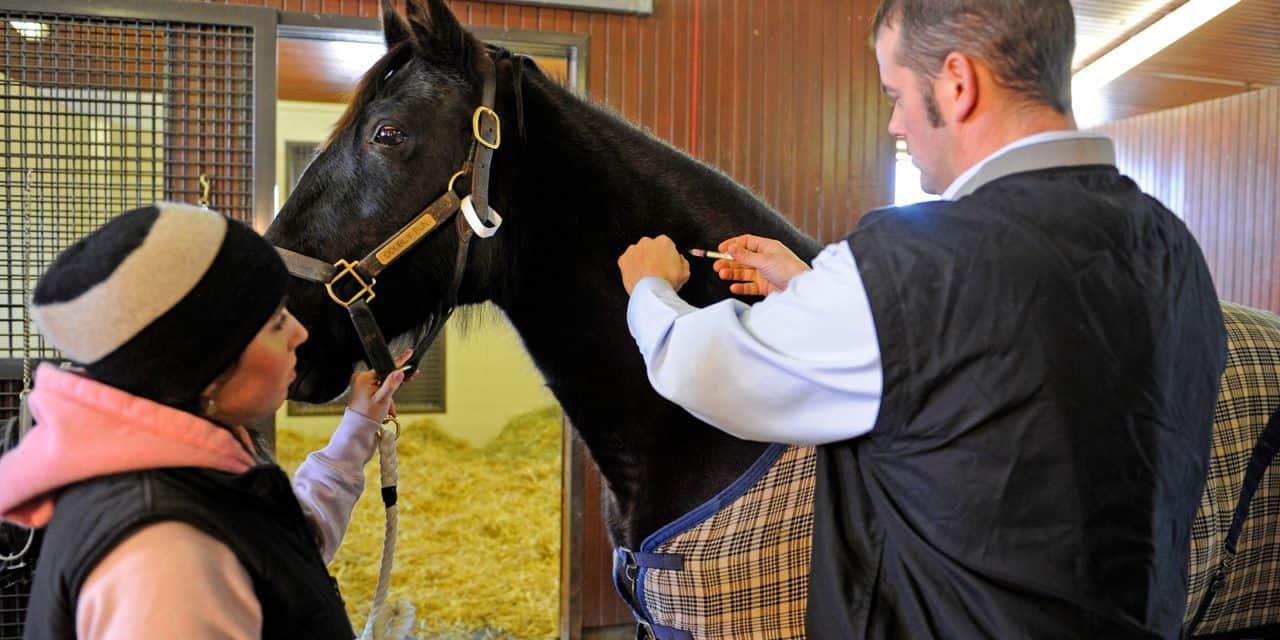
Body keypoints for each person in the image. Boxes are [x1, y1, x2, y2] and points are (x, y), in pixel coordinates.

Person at [616, 0, 1226, 637]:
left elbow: (707, 367)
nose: (894, 126)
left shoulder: (911, 265)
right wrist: (813, 288)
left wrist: (651, 288)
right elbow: (1012, 367)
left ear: (958, 83)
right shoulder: (1171, 247)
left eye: (896, 95)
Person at [0, 202, 407, 639]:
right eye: (275, 322)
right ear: (206, 365)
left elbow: (278, 550)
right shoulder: (164, 561)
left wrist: (359, 426)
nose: (299, 333)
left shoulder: (178, 470)